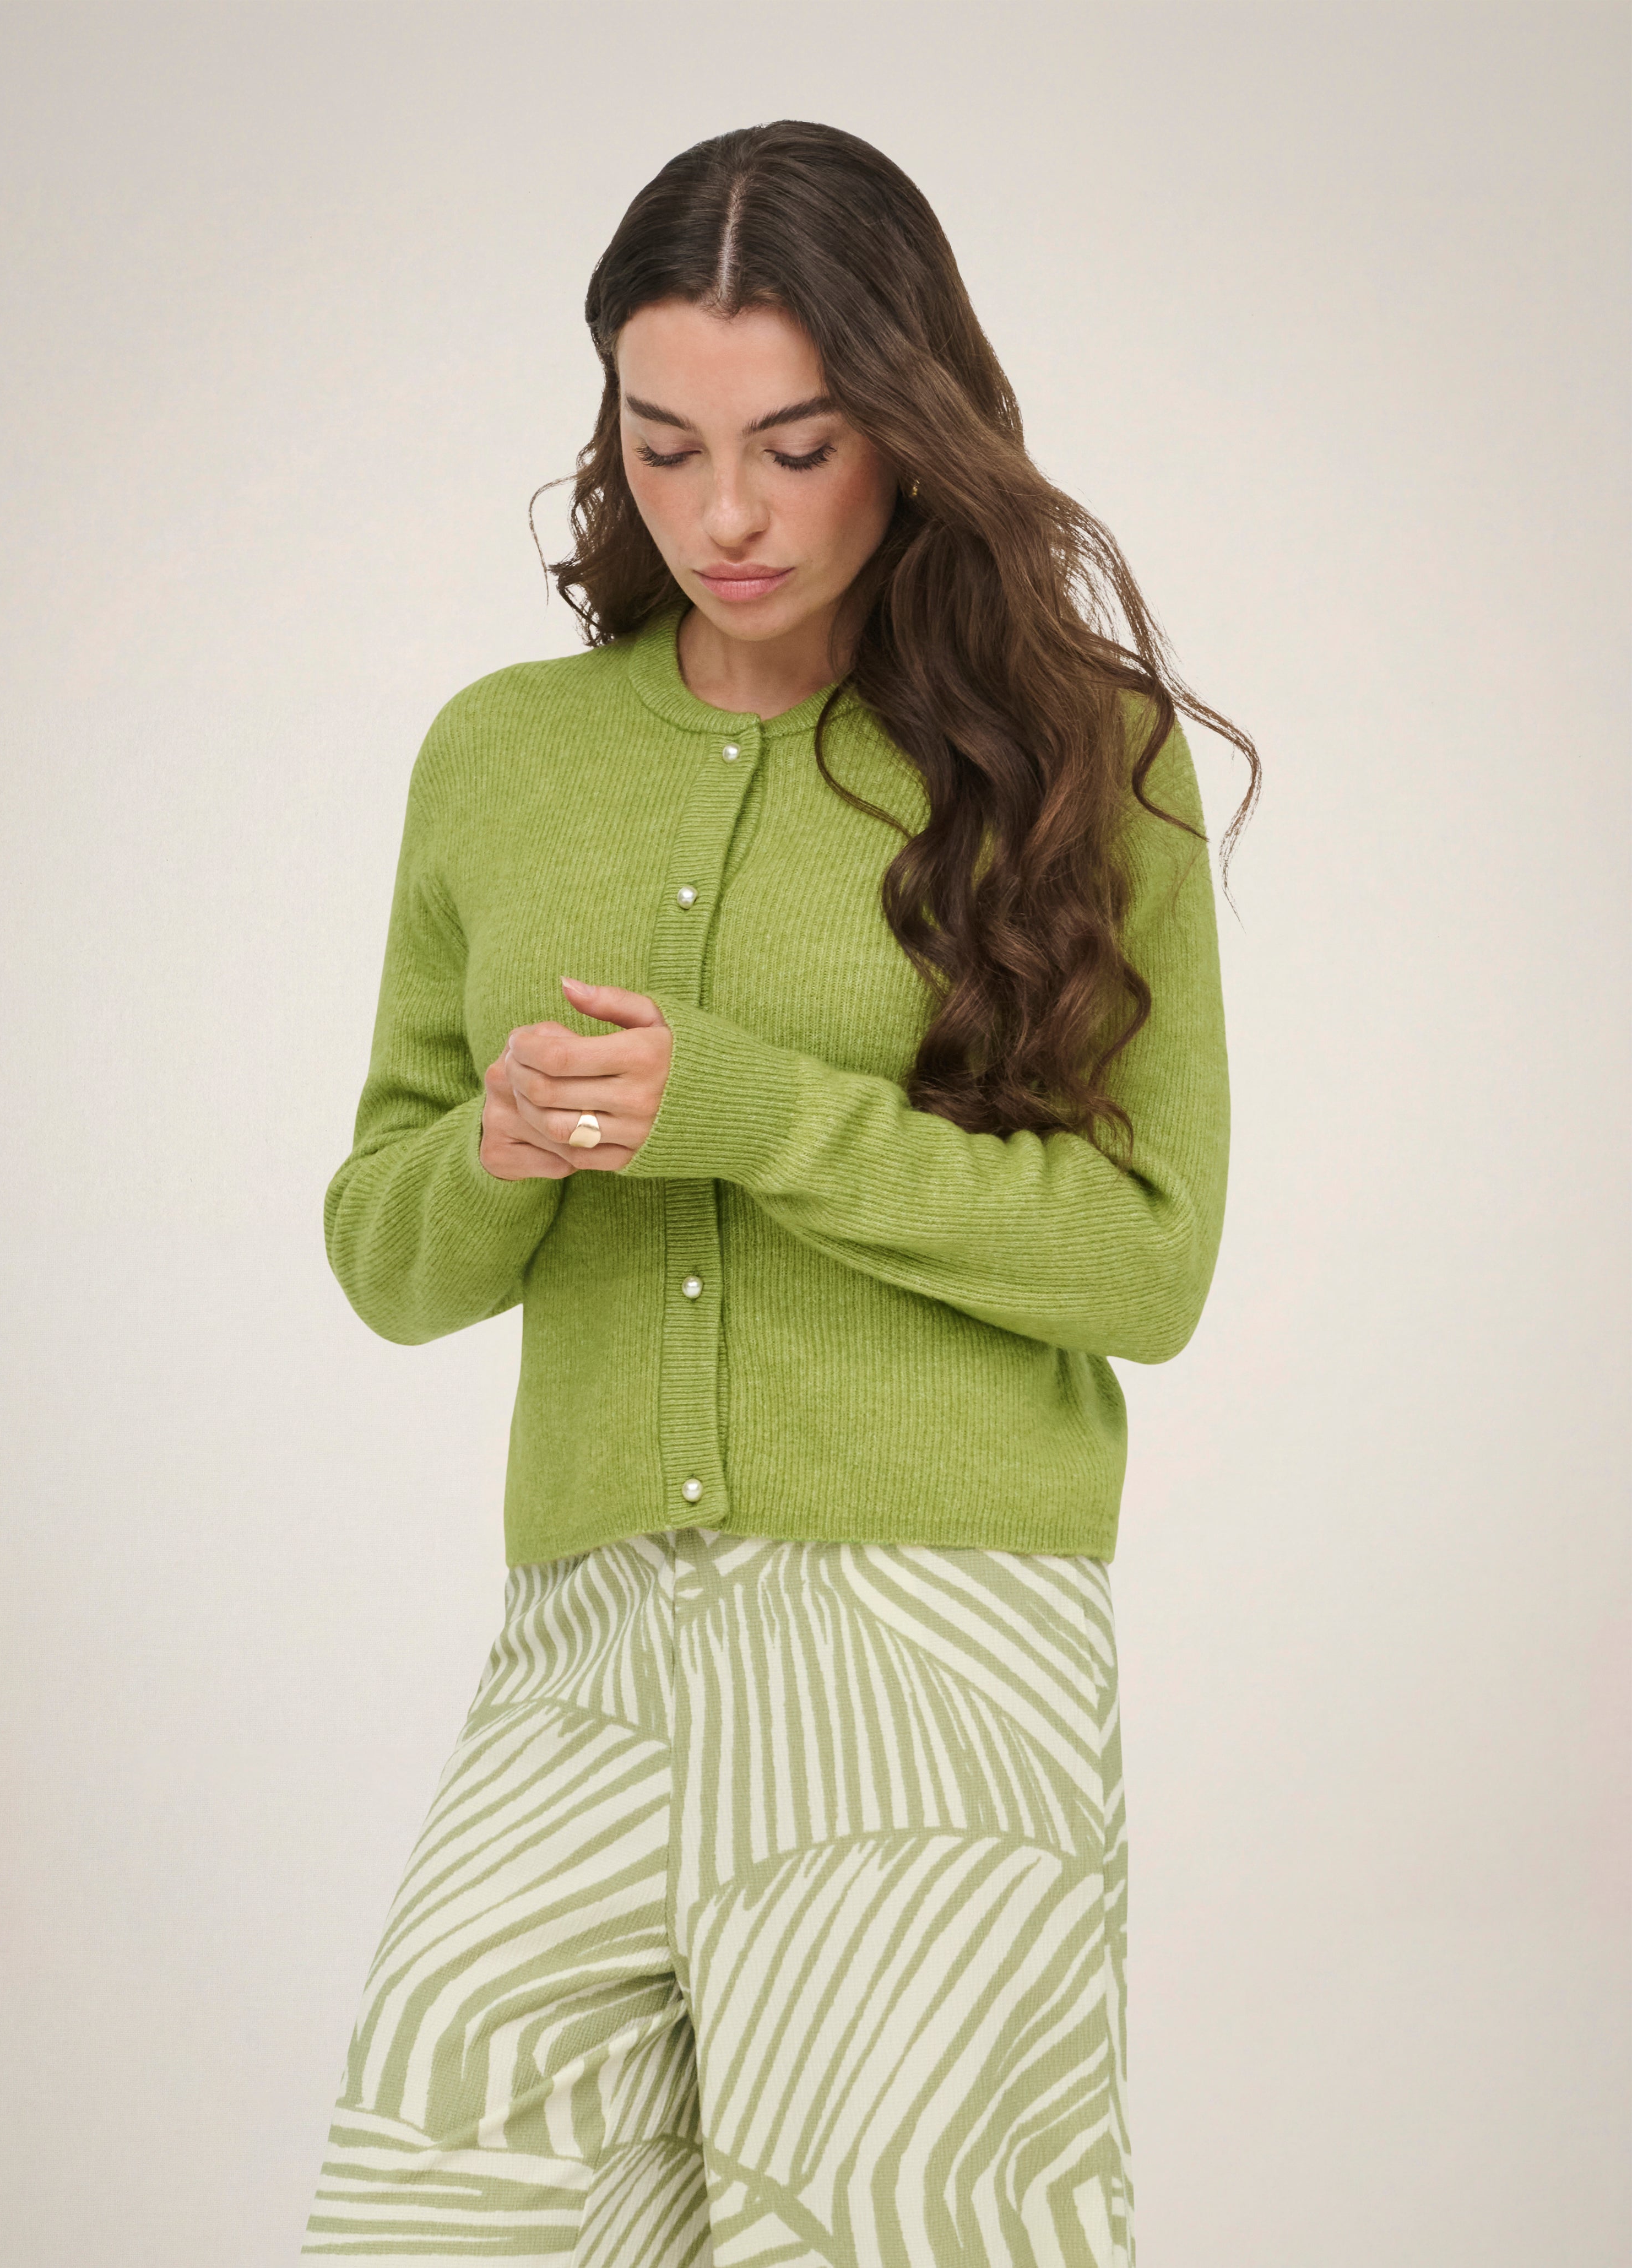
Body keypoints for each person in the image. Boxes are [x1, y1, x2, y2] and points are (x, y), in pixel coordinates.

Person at [300, 118, 1256, 2268]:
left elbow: (1148, 1263)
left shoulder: (1083, 759)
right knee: (434, 2217)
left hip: (929, 1636)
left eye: (794, 446)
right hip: (585, 1640)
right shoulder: (502, 752)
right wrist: (497, 1152)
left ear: (912, 424)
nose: (722, 512)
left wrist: (759, 1115)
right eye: (663, 446)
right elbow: (383, 1252)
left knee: (892, 2235)